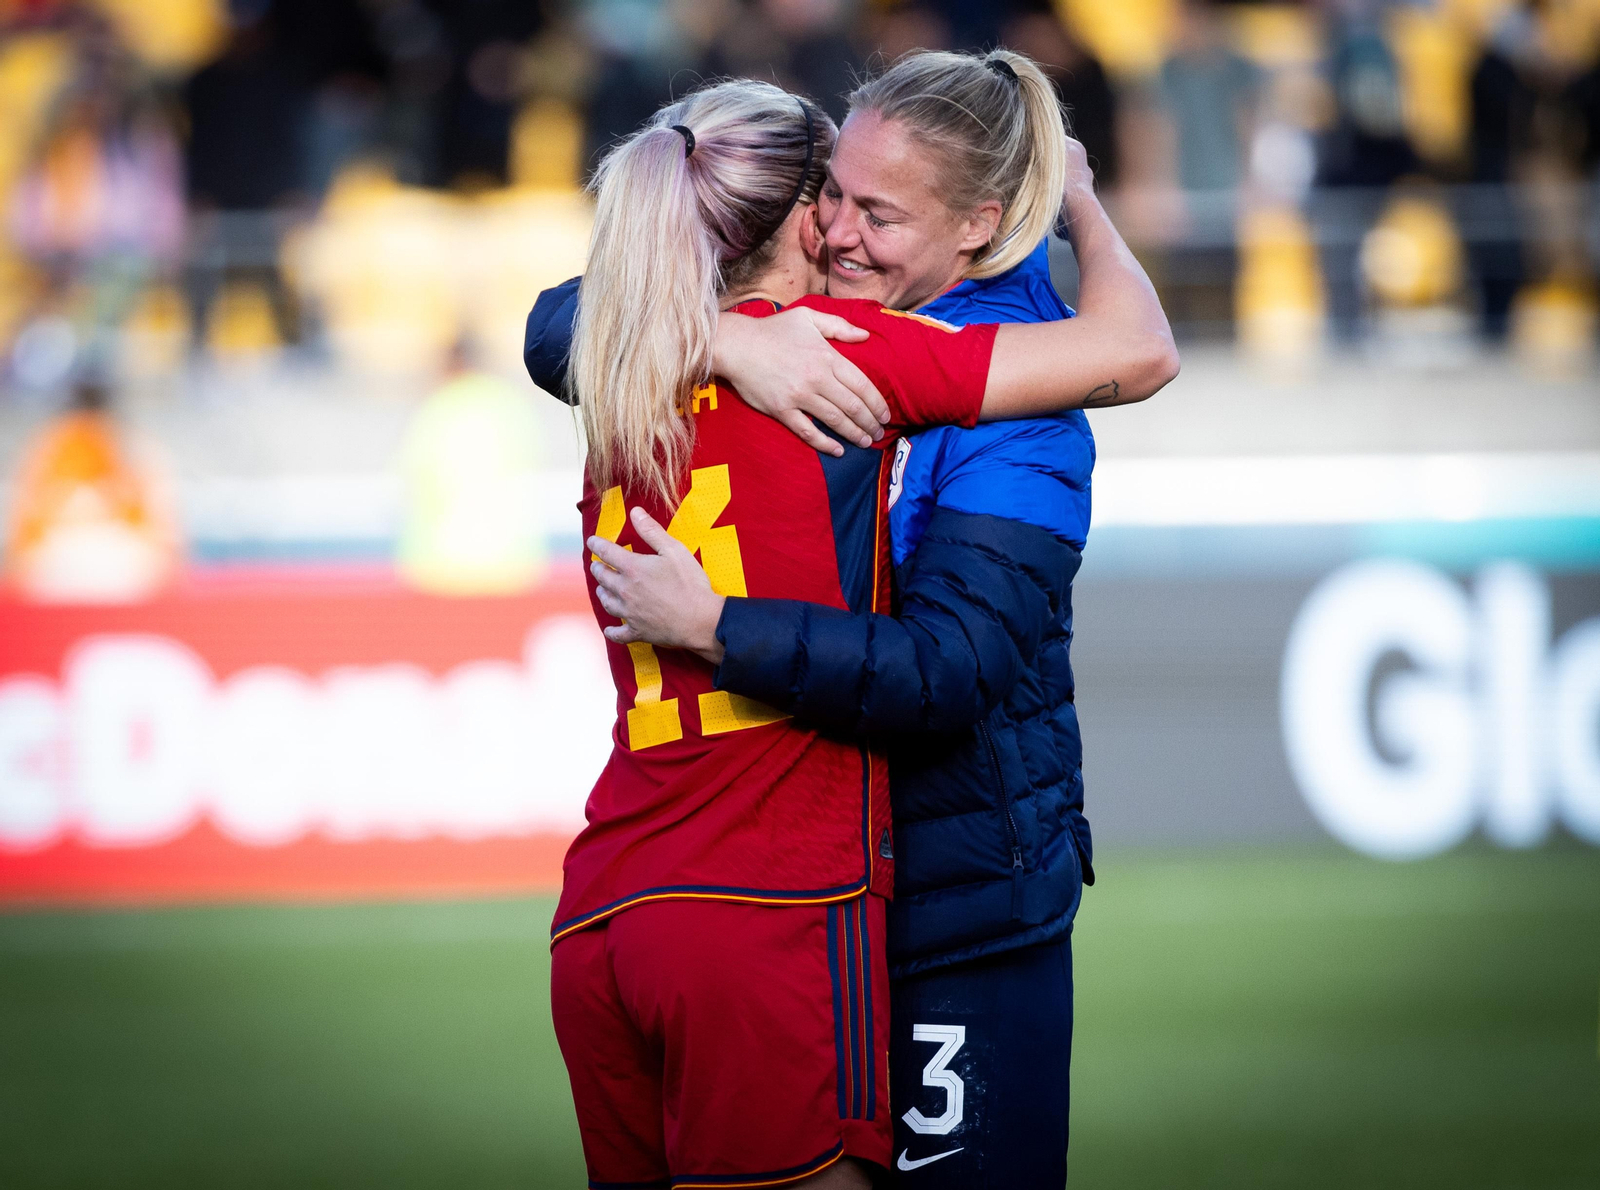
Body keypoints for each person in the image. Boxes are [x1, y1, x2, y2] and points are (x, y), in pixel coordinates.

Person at [529, 51, 1177, 1188]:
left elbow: (951, 666)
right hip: (801, 899)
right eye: (829, 196)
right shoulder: (811, 336)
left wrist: (721, 622)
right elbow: (554, 321)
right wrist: (726, 335)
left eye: (876, 211)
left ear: (979, 224)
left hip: (945, 912)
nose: (838, 233)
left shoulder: (1013, 405)